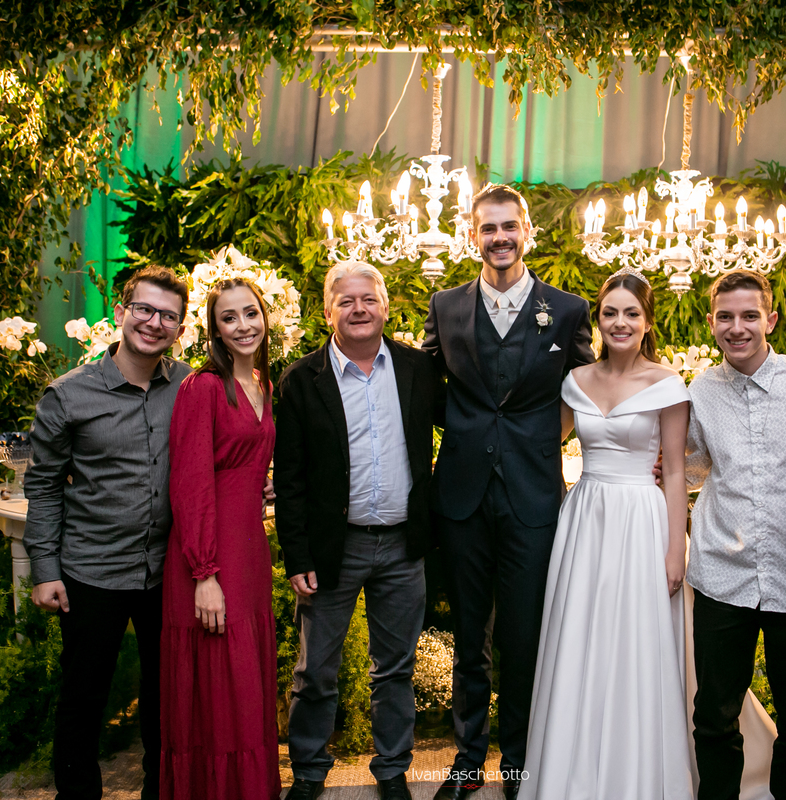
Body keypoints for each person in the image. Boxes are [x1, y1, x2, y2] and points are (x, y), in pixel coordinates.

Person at [422, 184, 595, 800]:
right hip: (461, 494)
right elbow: (425, 388)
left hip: (532, 495)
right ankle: (468, 758)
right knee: (470, 635)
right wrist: (466, 432)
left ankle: (521, 761)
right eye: (488, 227)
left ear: (527, 232)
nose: (500, 237)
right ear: (473, 235)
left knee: (523, 637)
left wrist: (544, 440)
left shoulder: (567, 310)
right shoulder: (445, 305)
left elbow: (588, 389)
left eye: (509, 226)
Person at [519, 267, 693, 800]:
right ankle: (569, 770)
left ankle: (635, 773)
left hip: (642, 519)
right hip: (586, 520)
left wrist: (675, 549)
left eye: (631, 314)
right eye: (610, 312)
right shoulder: (575, 381)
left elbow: (677, 470)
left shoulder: (667, 384)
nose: (620, 322)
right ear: (598, 320)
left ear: (648, 322)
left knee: (637, 641)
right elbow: (541, 442)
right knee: (579, 636)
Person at [275, 261, 444, 800]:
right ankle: (308, 771)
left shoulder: (418, 370)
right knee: (315, 669)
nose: (359, 309)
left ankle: (392, 769)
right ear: (328, 312)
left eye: (368, 299)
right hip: (333, 548)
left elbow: (469, 426)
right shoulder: (301, 380)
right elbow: (290, 479)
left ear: (385, 307)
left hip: (402, 545)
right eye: (346, 301)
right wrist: (297, 555)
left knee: (395, 669)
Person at [24, 266, 191, 800]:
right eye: (144, 309)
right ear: (120, 312)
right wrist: (45, 570)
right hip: (91, 570)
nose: (154, 322)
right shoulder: (68, 395)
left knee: (166, 698)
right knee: (83, 697)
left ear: (180, 328)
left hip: (168, 572)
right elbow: (43, 486)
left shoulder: (190, 386)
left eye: (168, 315)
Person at [686, 269, 786, 800]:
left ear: (770, 319)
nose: (737, 327)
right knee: (714, 716)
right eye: (726, 317)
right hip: (722, 572)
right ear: (711, 322)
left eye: (750, 316)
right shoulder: (699, 391)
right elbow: (693, 467)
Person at [160, 277, 281, 798]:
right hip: (208, 552)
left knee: (245, 682)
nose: (243, 325)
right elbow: (190, 483)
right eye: (229, 318)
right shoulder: (203, 387)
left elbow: (243, 459)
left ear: (265, 318)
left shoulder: (261, 384)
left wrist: (264, 479)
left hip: (249, 547)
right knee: (216, 683)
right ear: (214, 330)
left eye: (250, 313)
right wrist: (204, 574)